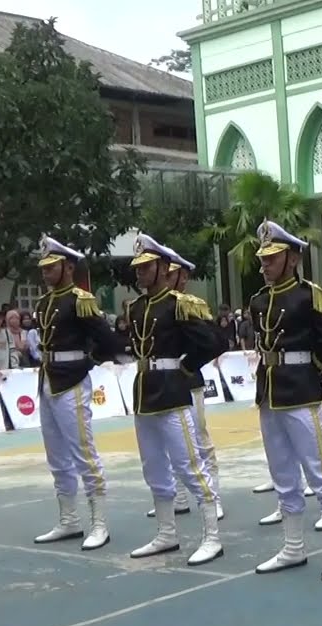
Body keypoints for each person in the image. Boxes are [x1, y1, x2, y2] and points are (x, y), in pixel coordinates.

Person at [247, 221, 322, 581]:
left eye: (272, 258)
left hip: (301, 391)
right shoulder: (258, 300)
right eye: (262, 258)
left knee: (320, 470)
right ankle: (293, 546)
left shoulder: (309, 295)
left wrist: (317, 368)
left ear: (292, 259)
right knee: (282, 474)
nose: (264, 265)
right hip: (270, 392)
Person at [125, 233, 225, 566]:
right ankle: (166, 533)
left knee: (189, 465)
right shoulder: (137, 307)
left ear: (164, 268)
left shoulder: (179, 304)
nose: (139, 273)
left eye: (146, 267)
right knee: (153, 467)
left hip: (172, 393)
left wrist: (185, 365)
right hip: (144, 393)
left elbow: (214, 341)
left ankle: (212, 536)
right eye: (138, 268)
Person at [29, 237, 126, 551]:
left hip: (71, 381)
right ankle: (69, 520)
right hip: (47, 381)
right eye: (43, 267)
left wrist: (90, 362)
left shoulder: (79, 299)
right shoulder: (44, 303)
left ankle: (100, 524)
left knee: (85, 454)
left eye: (51, 267)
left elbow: (108, 340)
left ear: (67, 267)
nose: (45, 273)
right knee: (56, 457)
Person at [141, 254, 227, 523]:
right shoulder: (153, 307)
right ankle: (175, 497)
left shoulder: (191, 305)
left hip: (187, 380)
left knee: (200, 441)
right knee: (166, 446)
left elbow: (215, 340)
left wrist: (187, 365)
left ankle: (215, 496)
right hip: (163, 383)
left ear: (183, 277)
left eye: (171, 274)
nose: (166, 279)